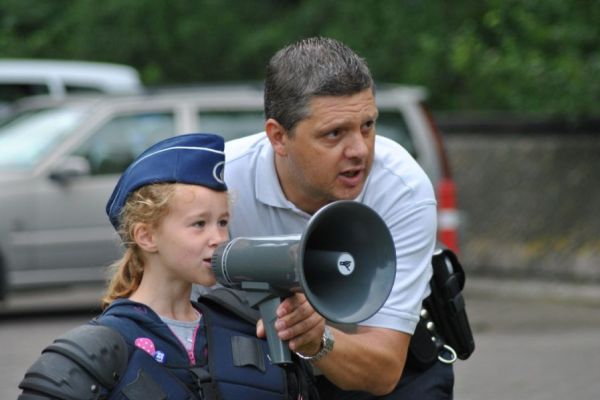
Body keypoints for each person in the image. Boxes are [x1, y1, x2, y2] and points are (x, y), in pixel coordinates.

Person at [221, 37, 454, 398]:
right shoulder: (222, 181)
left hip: (389, 373)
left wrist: (316, 340)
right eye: (334, 133)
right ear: (278, 137)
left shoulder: (402, 189)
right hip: (270, 373)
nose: (360, 150)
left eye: (368, 126)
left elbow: (384, 371)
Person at [18, 133, 316, 400]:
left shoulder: (247, 323)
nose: (219, 238)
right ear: (146, 236)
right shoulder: (98, 349)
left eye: (222, 222)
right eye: (199, 224)